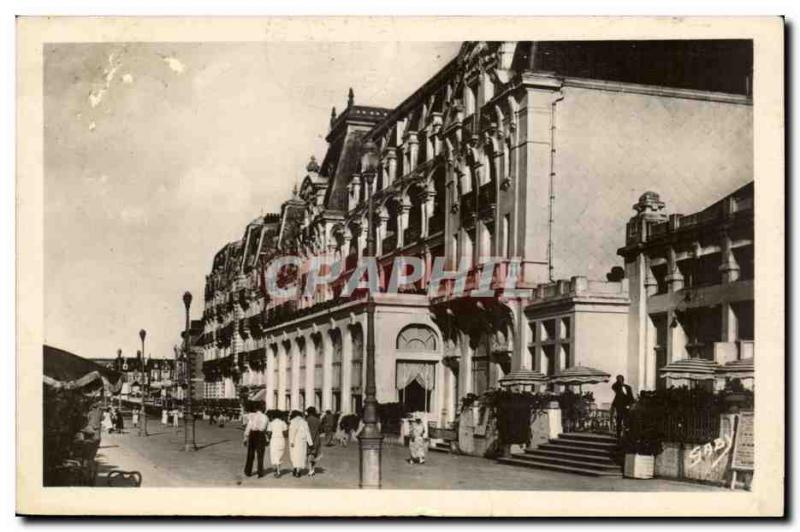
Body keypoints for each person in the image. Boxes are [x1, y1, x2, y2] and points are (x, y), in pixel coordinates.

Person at [242, 403, 268, 478]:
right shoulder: (265, 417)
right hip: (260, 434)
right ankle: (260, 472)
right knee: (260, 454)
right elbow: (263, 428)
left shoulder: (252, 416)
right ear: (263, 408)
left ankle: (248, 471)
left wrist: (245, 437)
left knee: (250, 454)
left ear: (256, 409)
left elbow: (249, 426)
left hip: (252, 434)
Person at [288, 410, 314, 478]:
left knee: (294, 455)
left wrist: (291, 442)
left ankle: (295, 468)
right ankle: (298, 471)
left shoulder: (293, 422)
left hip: (294, 442)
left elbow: (292, 433)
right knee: (301, 456)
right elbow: (307, 432)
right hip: (302, 441)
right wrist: (310, 443)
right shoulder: (304, 422)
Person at [266, 411, 288, 478]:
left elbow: (269, 433)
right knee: (280, 455)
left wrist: (268, 439)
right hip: (281, 440)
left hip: (274, 440)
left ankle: (277, 470)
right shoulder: (283, 423)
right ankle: (278, 469)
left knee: (274, 454)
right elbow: (285, 434)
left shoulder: (271, 423)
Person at [305, 407, 322, 476]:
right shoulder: (318, 420)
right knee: (315, 454)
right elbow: (321, 429)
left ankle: (310, 469)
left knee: (309, 453)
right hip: (316, 438)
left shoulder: (306, 420)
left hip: (308, 438)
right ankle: (313, 469)